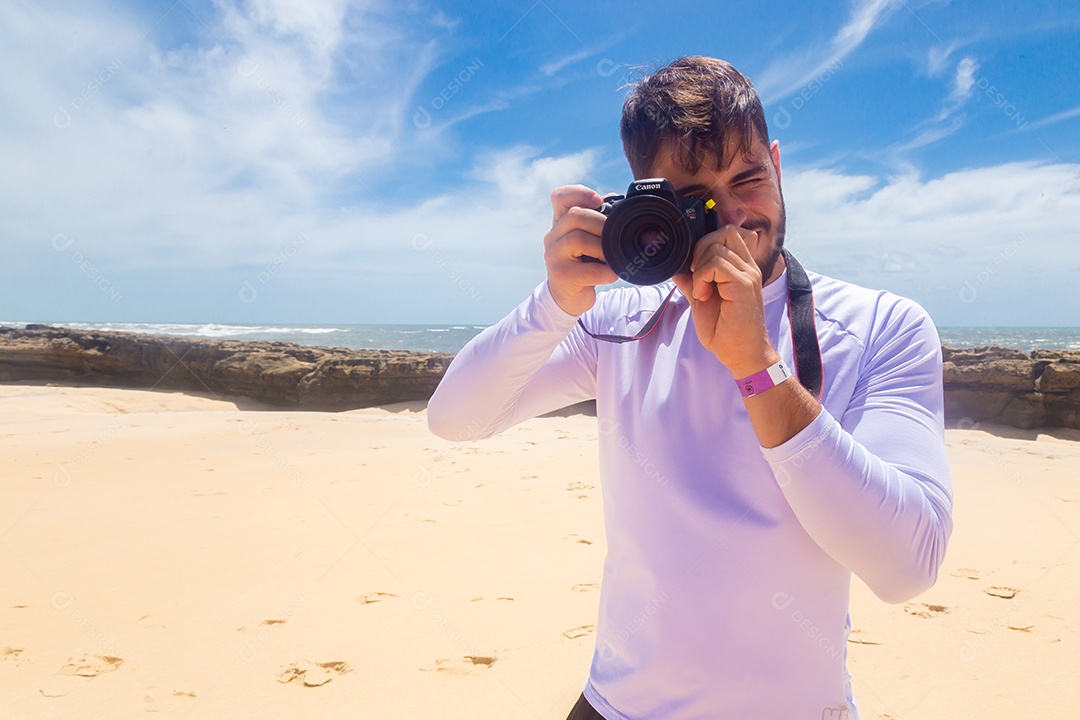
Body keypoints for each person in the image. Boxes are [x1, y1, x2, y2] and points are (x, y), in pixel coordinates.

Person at [427, 56, 953, 720]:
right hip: (618, 707)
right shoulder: (618, 322)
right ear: (650, 206)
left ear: (780, 166)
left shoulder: (882, 327)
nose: (731, 216)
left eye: (749, 178)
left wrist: (757, 368)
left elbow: (908, 567)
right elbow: (456, 417)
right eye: (695, 201)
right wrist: (554, 303)